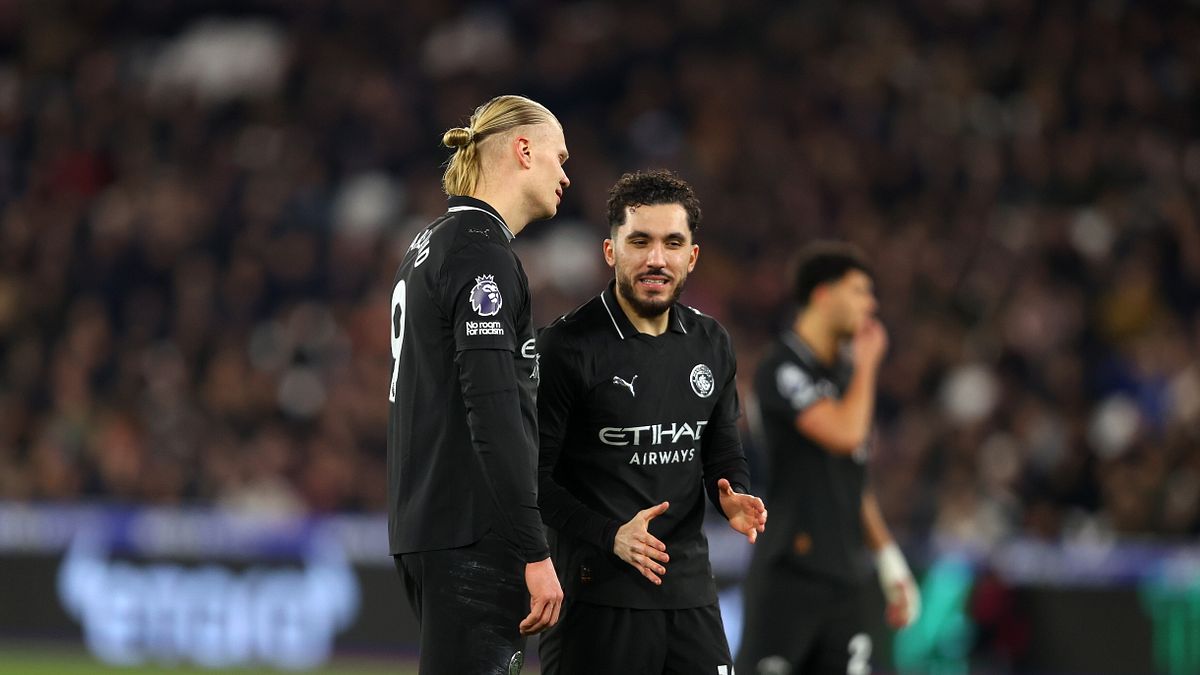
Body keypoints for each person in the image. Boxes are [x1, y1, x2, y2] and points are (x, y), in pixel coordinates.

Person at [535, 169, 768, 674]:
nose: (656, 259)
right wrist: (610, 534)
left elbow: (722, 450)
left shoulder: (712, 342)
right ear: (610, 250)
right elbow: (532, 479)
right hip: (597, 600)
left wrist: (733, 494)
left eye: (672, 243)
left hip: (690, 596)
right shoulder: (565, 348)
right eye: (640, 241)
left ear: (692, 256)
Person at [387, 94, 569, 674]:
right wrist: (532, 548)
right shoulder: (482, 254)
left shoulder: (432, 243)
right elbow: (492, 409)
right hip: (473, 530)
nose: (566, 175)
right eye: (559, 157)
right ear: (523, 150)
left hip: (427, 522)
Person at [735, 242, 921, 675]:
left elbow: (853, 479)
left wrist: (889, 559)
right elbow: (844, 434)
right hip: (791, 575)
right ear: (822, 295)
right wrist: (869, 364)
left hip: (845, 579)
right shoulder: (781, 367)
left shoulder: (843, 377)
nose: (870, 305)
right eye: (859, 291)